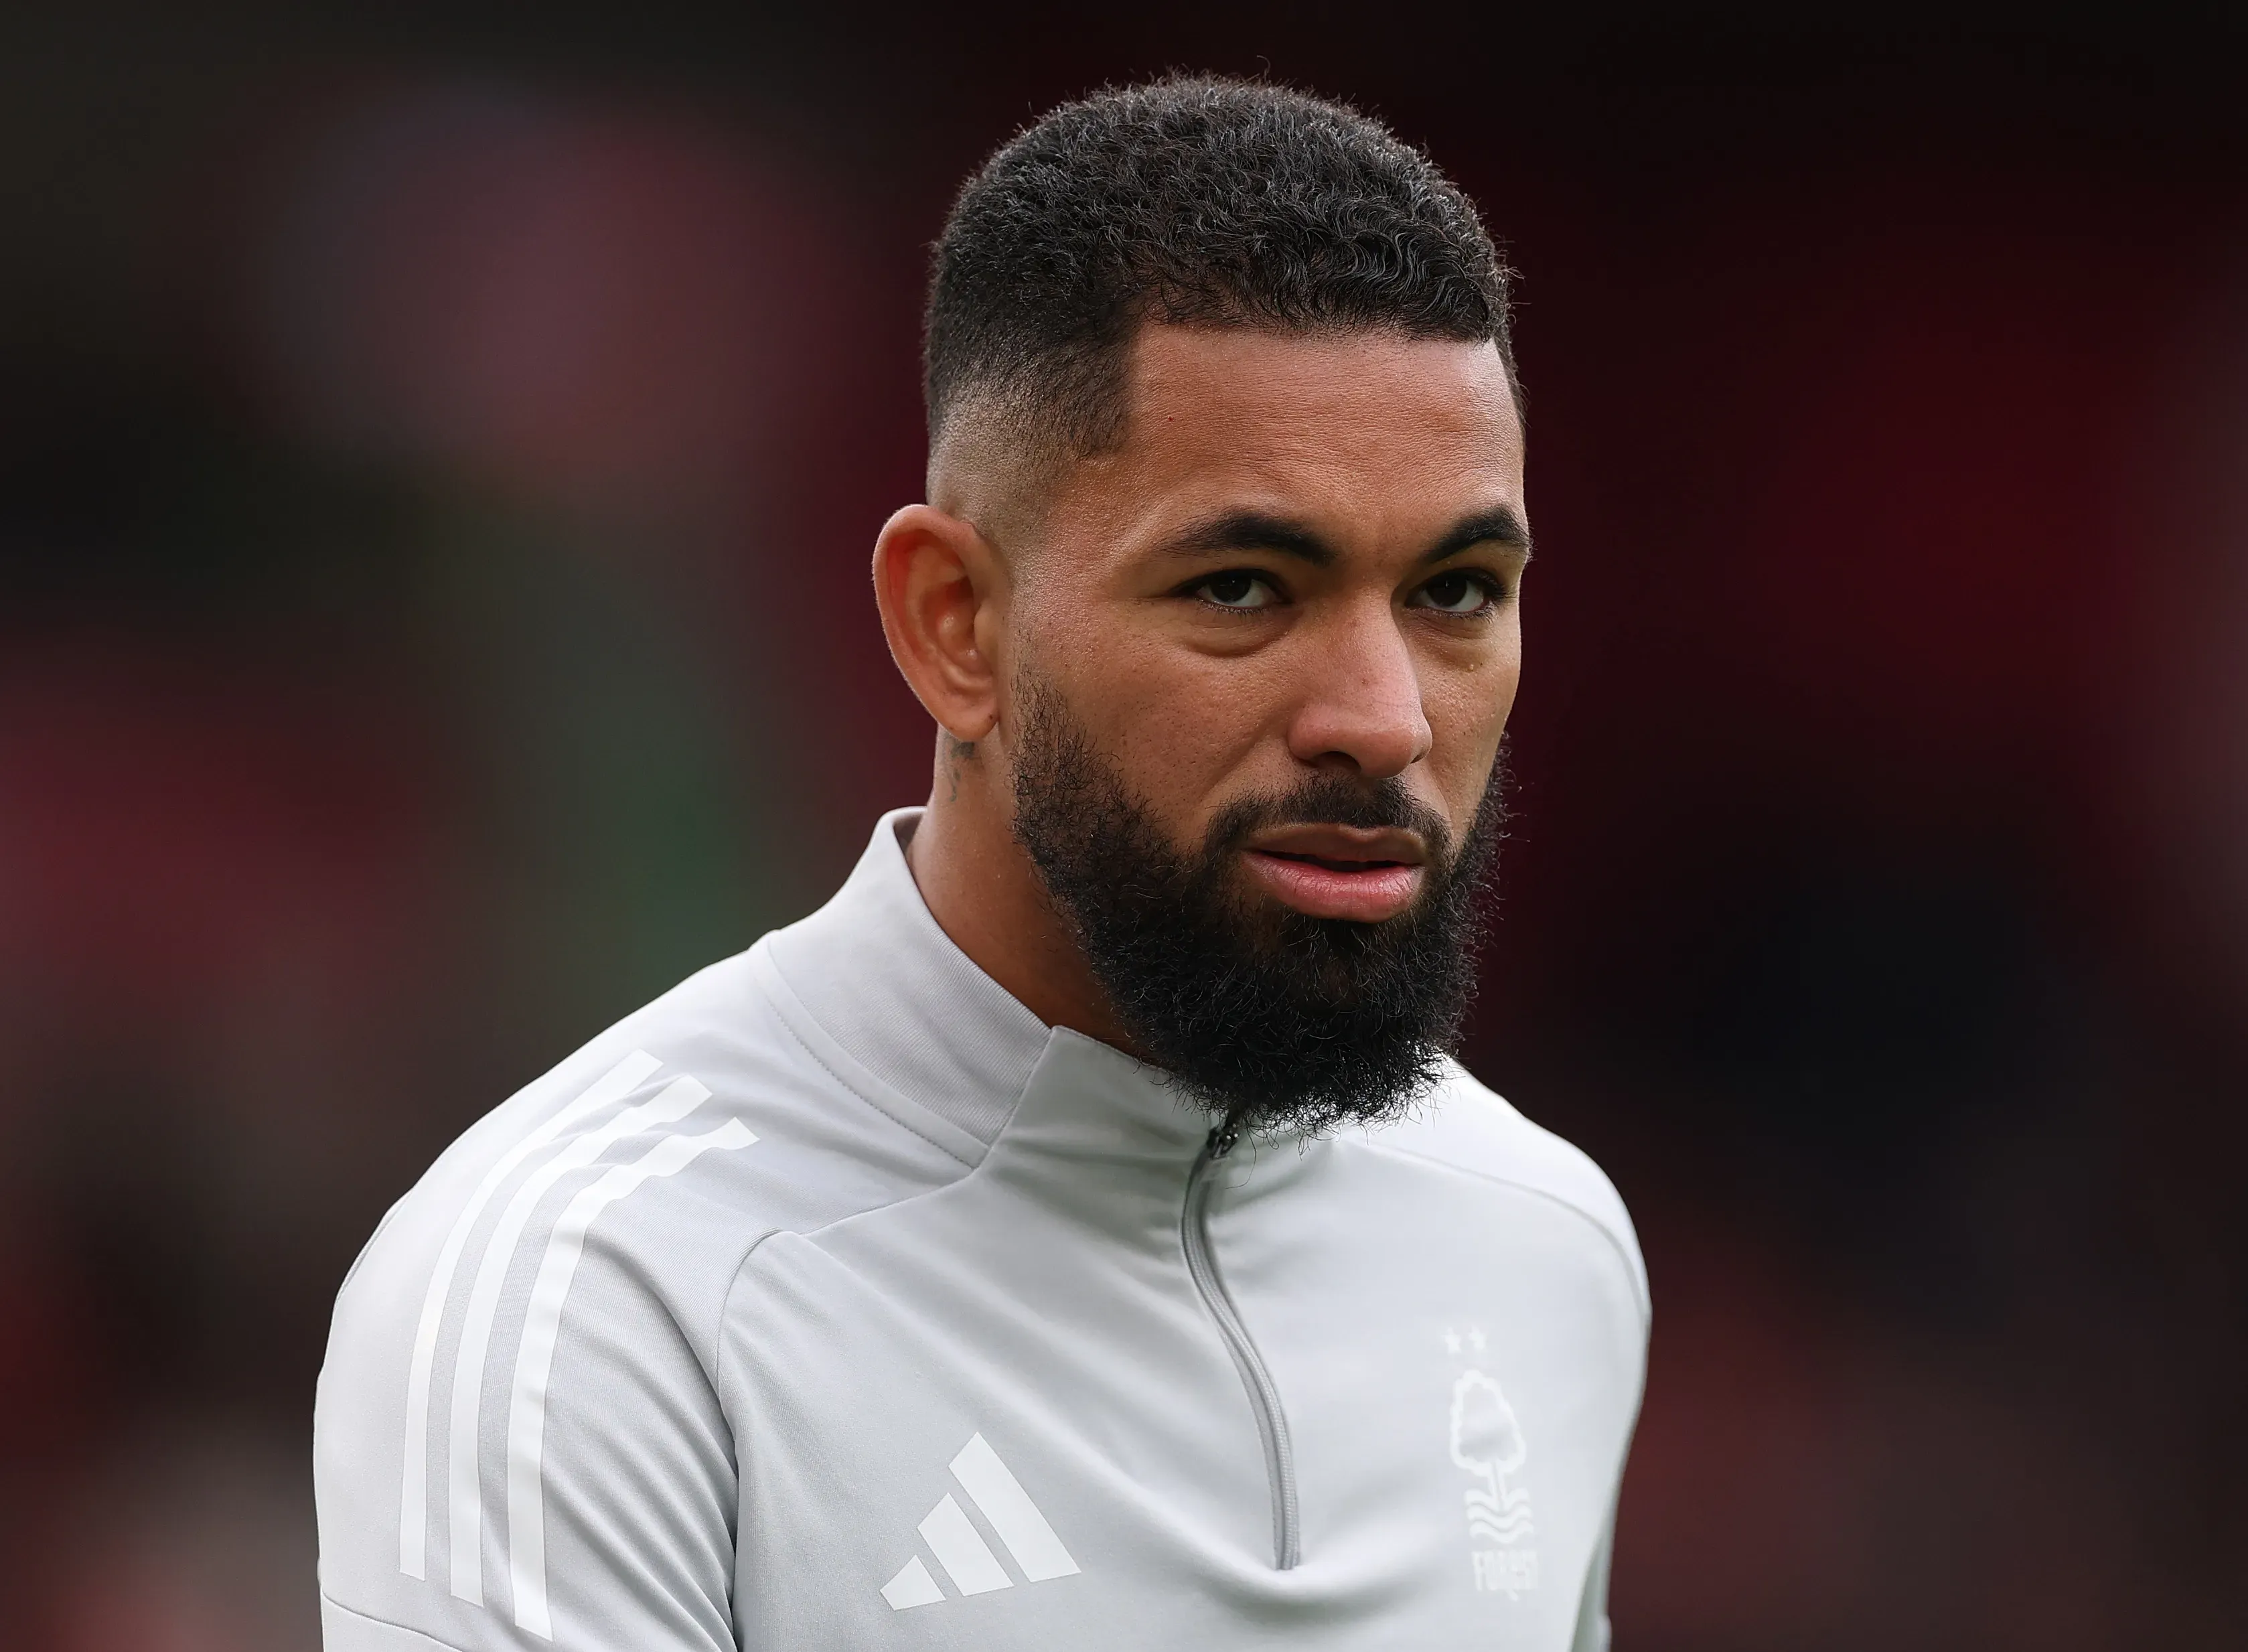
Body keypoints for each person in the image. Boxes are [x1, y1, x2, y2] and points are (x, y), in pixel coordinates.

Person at [313, 76, 1648, 1651]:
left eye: (1456, 591)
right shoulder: (593, 1296)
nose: (1380, 718)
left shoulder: (1546, 1250)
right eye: (1238, 587)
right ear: (956, 622)